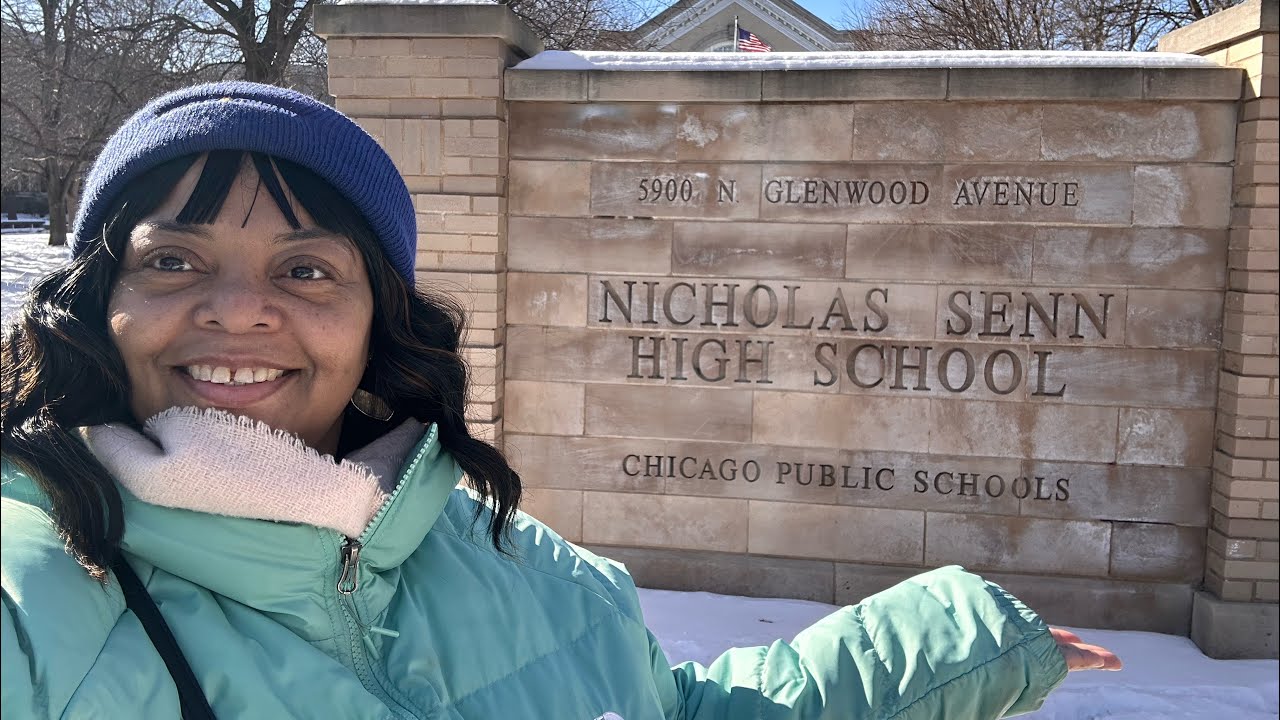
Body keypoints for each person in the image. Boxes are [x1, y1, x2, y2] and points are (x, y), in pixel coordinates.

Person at [0, 81, 1119, 720]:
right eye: (175, 261)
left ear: (379, 316)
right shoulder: (31, 596)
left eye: (306, 270)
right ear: (99, 299)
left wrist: (959, 642)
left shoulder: (519, 562)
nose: (239, 311)